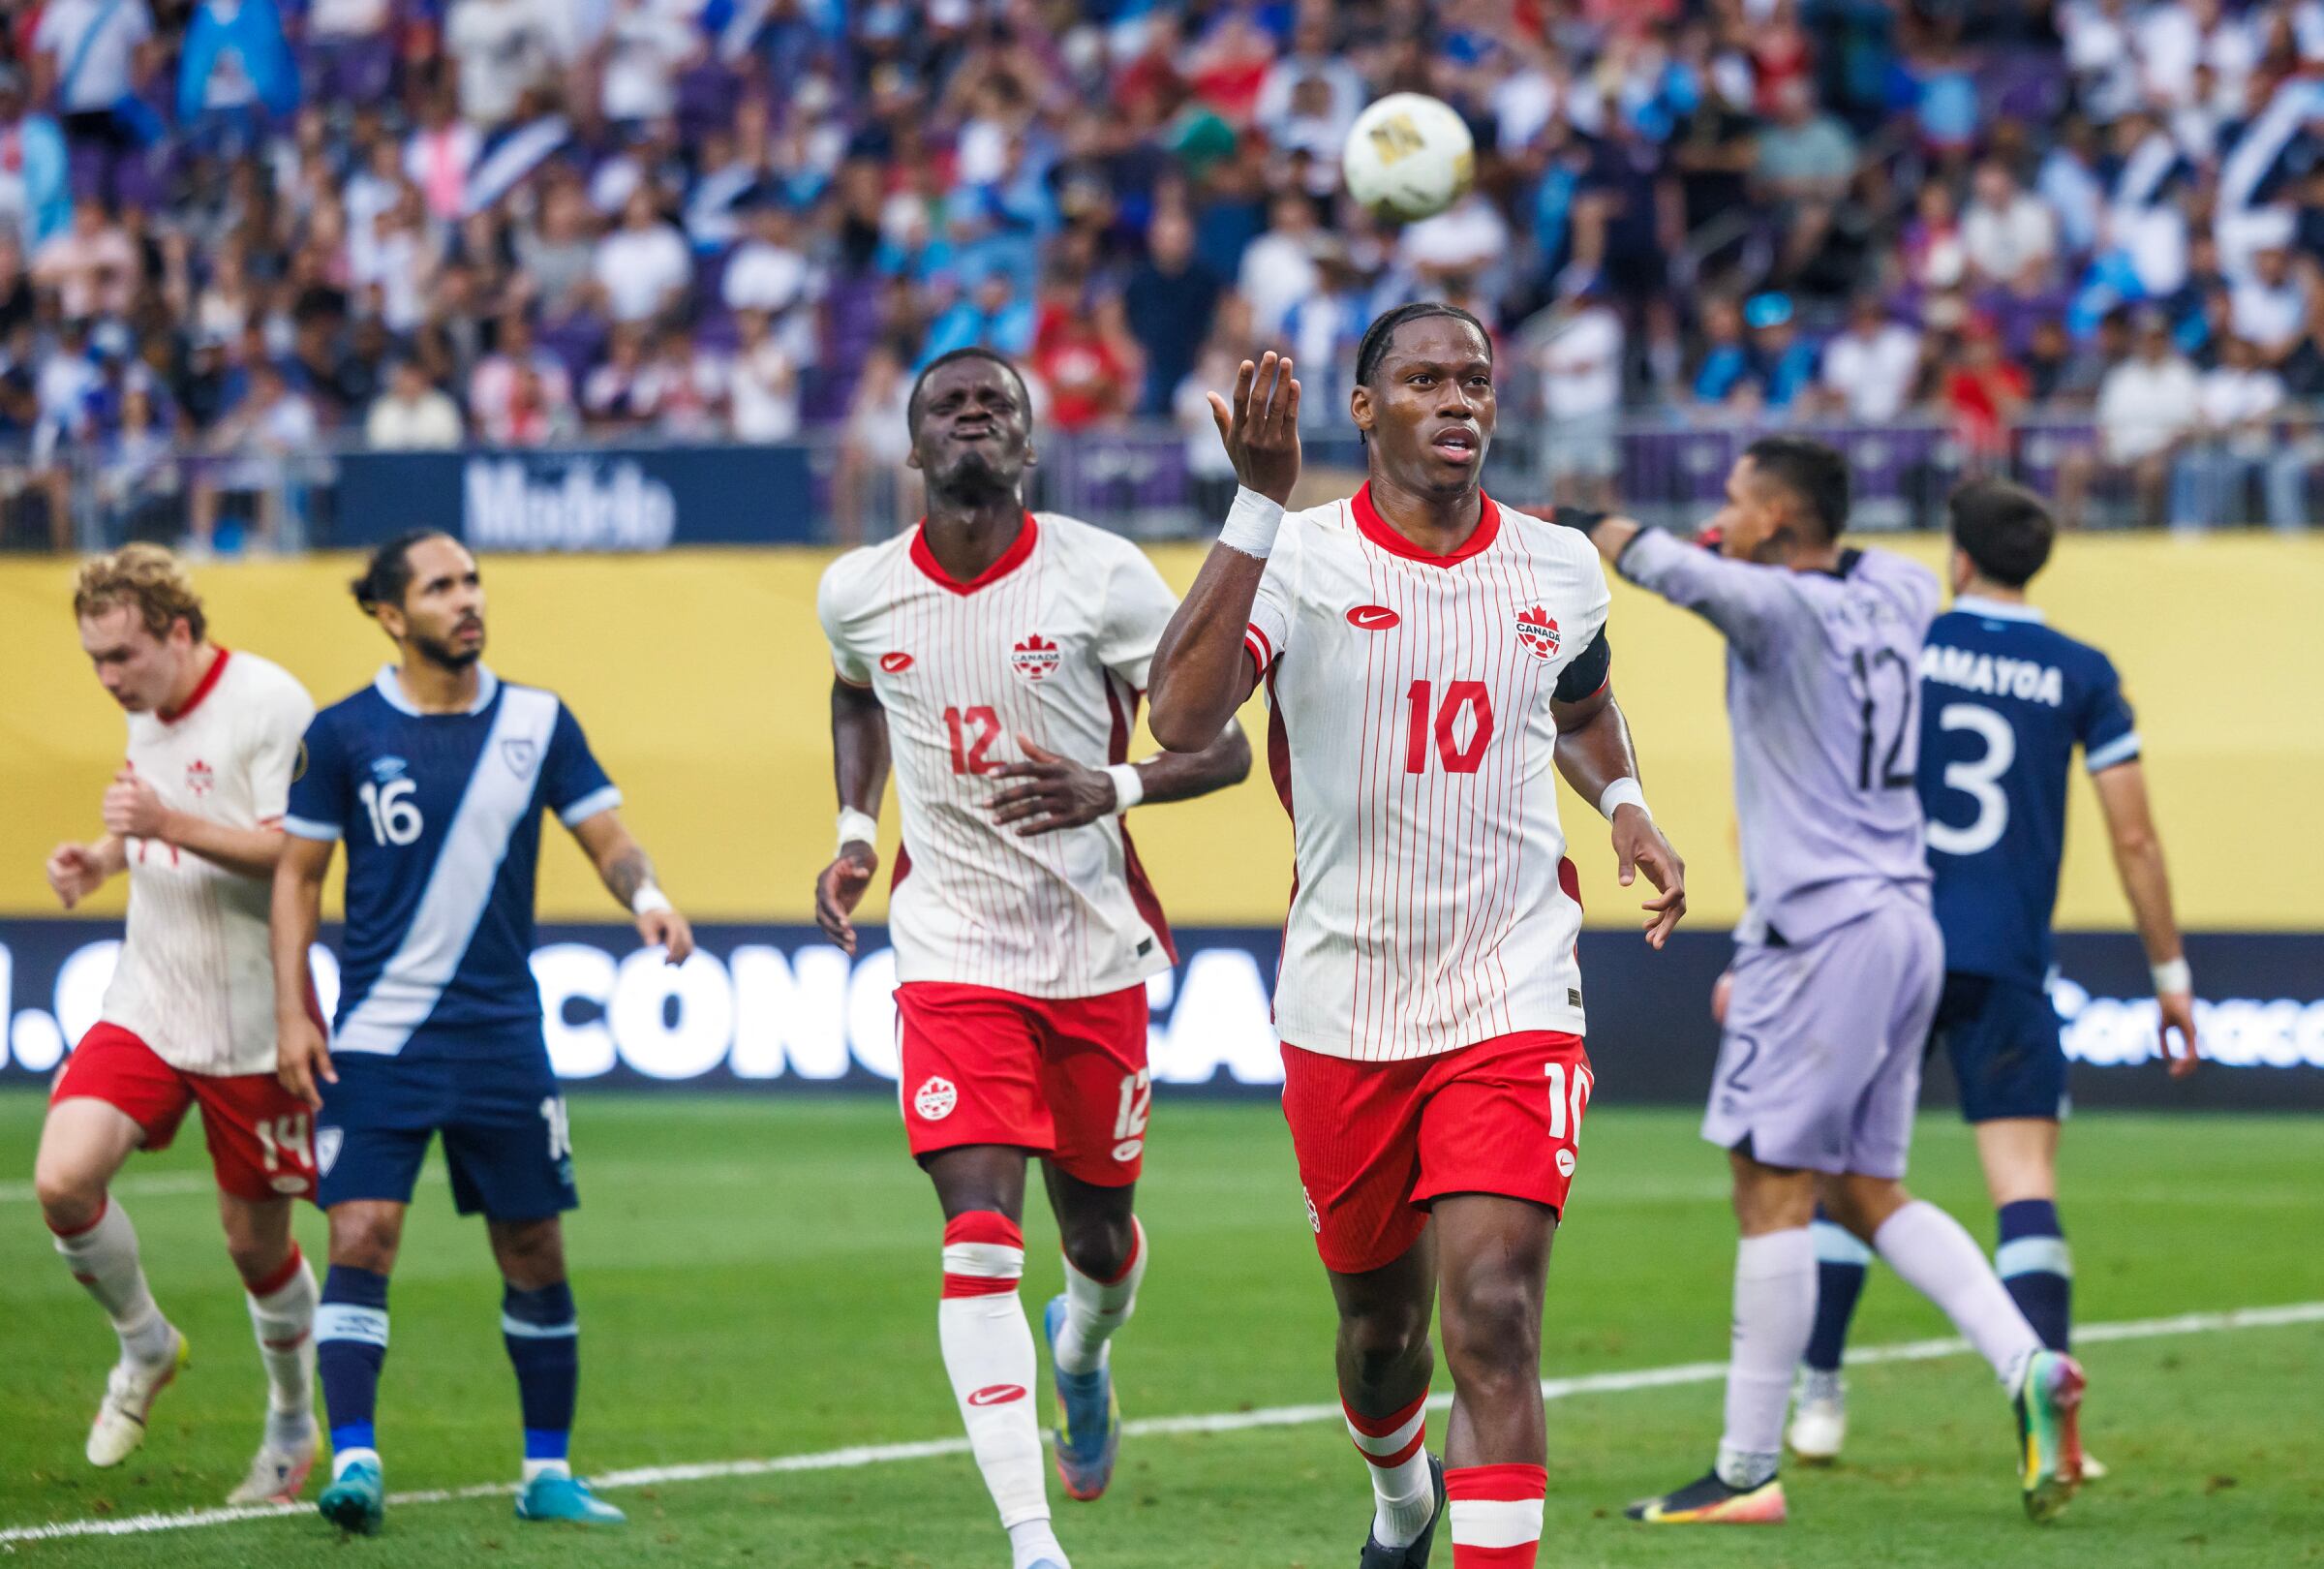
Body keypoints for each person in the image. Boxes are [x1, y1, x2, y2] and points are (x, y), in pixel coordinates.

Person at [1145, 310, 1689, 1569]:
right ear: (1366, 407)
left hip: (1513, 987)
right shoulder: (1299, 557)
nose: (1458, 401)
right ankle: (1401, 1500)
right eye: (1426, 379)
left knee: (1493, 1312)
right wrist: (1256, 504)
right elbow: (1178, 719)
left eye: (1475, 381)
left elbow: (1582, 707)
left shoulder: (1559, 565)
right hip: (1345, 1004)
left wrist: (1626, 803)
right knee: (1381, 1337)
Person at [1565, 438, 2087, 1527]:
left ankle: (1745, 1471)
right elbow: (1762, 559)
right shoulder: (1901, 586)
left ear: (1778, 521)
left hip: (1820, 932)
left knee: (1770, 1184)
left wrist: (1572, 522)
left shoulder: (1773, 608)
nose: (1722, 511)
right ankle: (2028, 1362)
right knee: (1862, 1187)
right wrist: (1738, 541)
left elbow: (1666, 565)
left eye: (1736, 498)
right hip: (1905, 922)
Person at [813, 347, 1251, 1569]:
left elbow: (1222, 747)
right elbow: (854, 692)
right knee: (977, 1238)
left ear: (1027, 443)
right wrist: (856, 833)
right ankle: (1032, 1539)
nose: (971, 416)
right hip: (951, 949)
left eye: (994, 403)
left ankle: (1084, 1351)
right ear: (912, 448)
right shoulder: (858, 590)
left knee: (1098, 1241)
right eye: (947, 405)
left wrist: (1113, 784)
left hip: (1092, 954)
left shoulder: (1100, 575)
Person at [270, 530, 695, 1534]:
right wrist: (292, 1008)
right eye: (440, 587)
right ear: (390, 614)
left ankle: (547, 1472)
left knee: (534, 1245)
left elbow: (607, 837)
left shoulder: (539, 721)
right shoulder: (342, 734)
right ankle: (357, 1459)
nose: (467, 599)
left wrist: (648, 897)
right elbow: (297, 875)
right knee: (361, 1233)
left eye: (471, 581)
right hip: (379, 1037)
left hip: (504, 1036)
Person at [1789, 478, 2198, 1462]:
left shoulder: (1910, 643)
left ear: (1959, 558)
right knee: (2024, 1185)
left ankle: (1820, 1394)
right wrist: (2171, 976)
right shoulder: (2081, 670)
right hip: (2005, 956)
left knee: (1848, 1172)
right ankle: (2051, 1421)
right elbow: (2135, 838)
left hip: (1887, 943)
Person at [35, 544, 322, 1505]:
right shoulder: (145, 705)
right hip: (149, 1000)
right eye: (95, 660)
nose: (109, 679)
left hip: (254, 1014)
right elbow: (153, 805)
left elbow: (296, 855)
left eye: (122, 656)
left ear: (180, 632)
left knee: (254, 1247)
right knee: (63, 1180)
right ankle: (145, 1343)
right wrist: (102, 856)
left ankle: (291, 1424)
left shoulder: (270, 703)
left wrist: (164, 825)